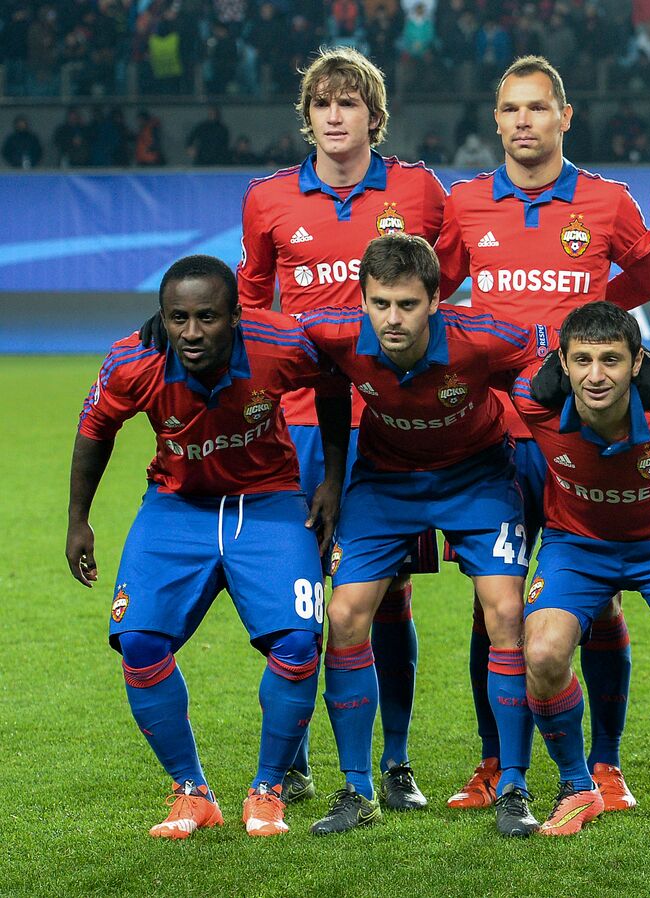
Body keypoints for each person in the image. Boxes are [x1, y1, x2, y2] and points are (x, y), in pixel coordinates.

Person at [432, 54, 650, 815]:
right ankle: (490, 760)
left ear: (564, 117)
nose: (523, 123)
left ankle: (604, 766)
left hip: (584, 442)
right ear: (497, 119)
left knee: (598, 598)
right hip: (498, 441)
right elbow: (426, 288)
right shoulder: (467, 203)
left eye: (537, 109)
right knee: (494, 602)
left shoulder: (607, 203)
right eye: (510, 110)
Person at [66, 255, 342, 839]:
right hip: (176, 507)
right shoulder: (131, 360)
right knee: (138, 642)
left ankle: (268, 791)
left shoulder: (281, 343)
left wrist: (333, 481)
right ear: (162, 317)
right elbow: (95, 429)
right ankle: (192, 794)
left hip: (267, 503)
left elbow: (334, 381)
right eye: (178, 318)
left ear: (237, 315)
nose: (192, 333)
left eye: (208, 317)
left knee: (297, 643)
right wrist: (78, 520)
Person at [237, 45, 445, 811]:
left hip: (393, 423)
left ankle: (394, 763)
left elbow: (444, 283)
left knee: (387, 597)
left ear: (374, 116)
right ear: (307, 116)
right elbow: (252, 307)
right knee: (296, 596)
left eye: (348, 102)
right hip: (293, 427)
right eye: (322, 103)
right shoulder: (266, 201)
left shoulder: (420, 191)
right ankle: (290, 761)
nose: (333, 114)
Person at [296, 234, 544, 835]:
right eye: (379, 304)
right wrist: (332, 475)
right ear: (363, 299)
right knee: (347, 612)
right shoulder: (332, 334)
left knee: (506, 610)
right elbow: (267, 343)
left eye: (407, 304)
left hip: (478, 479)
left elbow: (542, 369)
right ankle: (357, 789)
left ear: (435, 298)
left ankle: (513, 783)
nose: (392, 318)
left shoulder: (486, 337)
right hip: (385, 483)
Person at [510, 301, 650, 837]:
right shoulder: (531, 403)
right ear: (562, 362)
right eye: (582, 360)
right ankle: (576, 786)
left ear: (636, 362)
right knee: (540, 651)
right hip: (576, 544)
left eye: (611, 359)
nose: (596, 375)